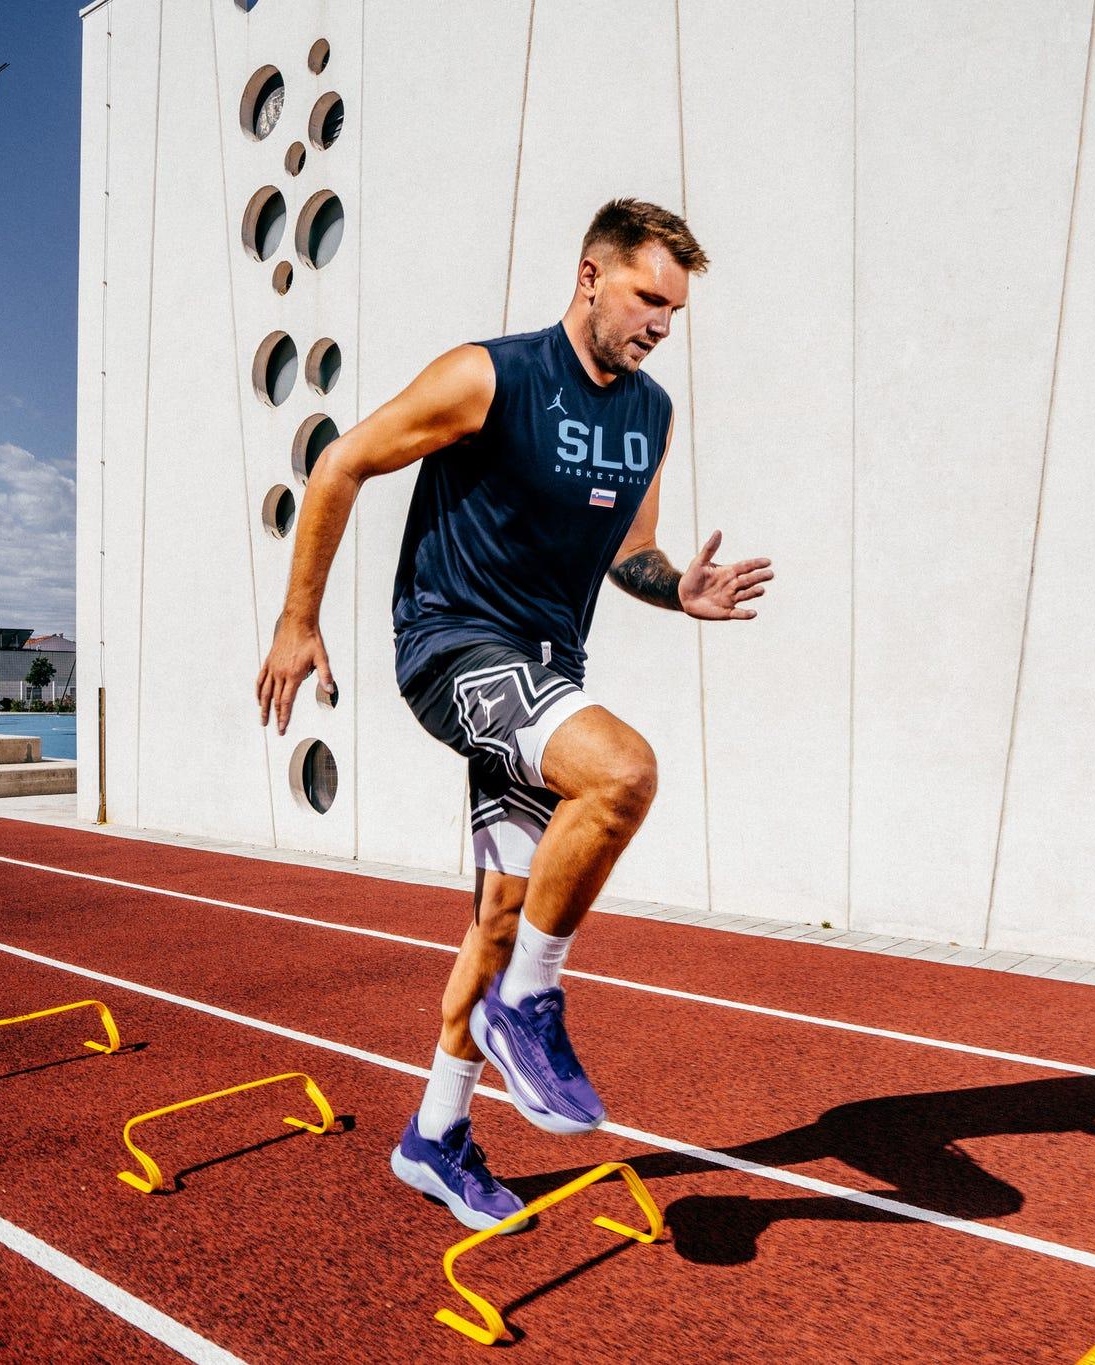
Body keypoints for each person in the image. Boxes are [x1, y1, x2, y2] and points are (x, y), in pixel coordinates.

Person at [256, 198, 772, 1230]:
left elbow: (632, 552)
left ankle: (434, 1136)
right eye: (645, 298)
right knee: (620, 770)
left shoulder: (649, 415)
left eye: (673, 310)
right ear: (590, 275)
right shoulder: (486, 376)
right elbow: (340, 461)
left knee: (499, 914)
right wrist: (295, 617)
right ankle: (528, 1006)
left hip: (547, 670)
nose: (660, 323)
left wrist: (680, 592)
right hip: (451, 649)